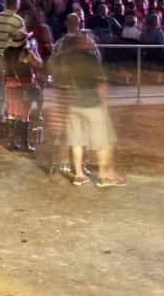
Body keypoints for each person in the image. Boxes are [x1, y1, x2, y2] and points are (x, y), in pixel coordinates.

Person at [49, 23, 119, 185]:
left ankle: (79, 175)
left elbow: (59, 78)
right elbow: (100, 82)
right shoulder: (91, 58)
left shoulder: (65, 59)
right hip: (91, 103)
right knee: (100, 141)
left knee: (77, 141)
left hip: (73, 104)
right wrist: (103, 103)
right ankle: (102, 176)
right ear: (81, 44)